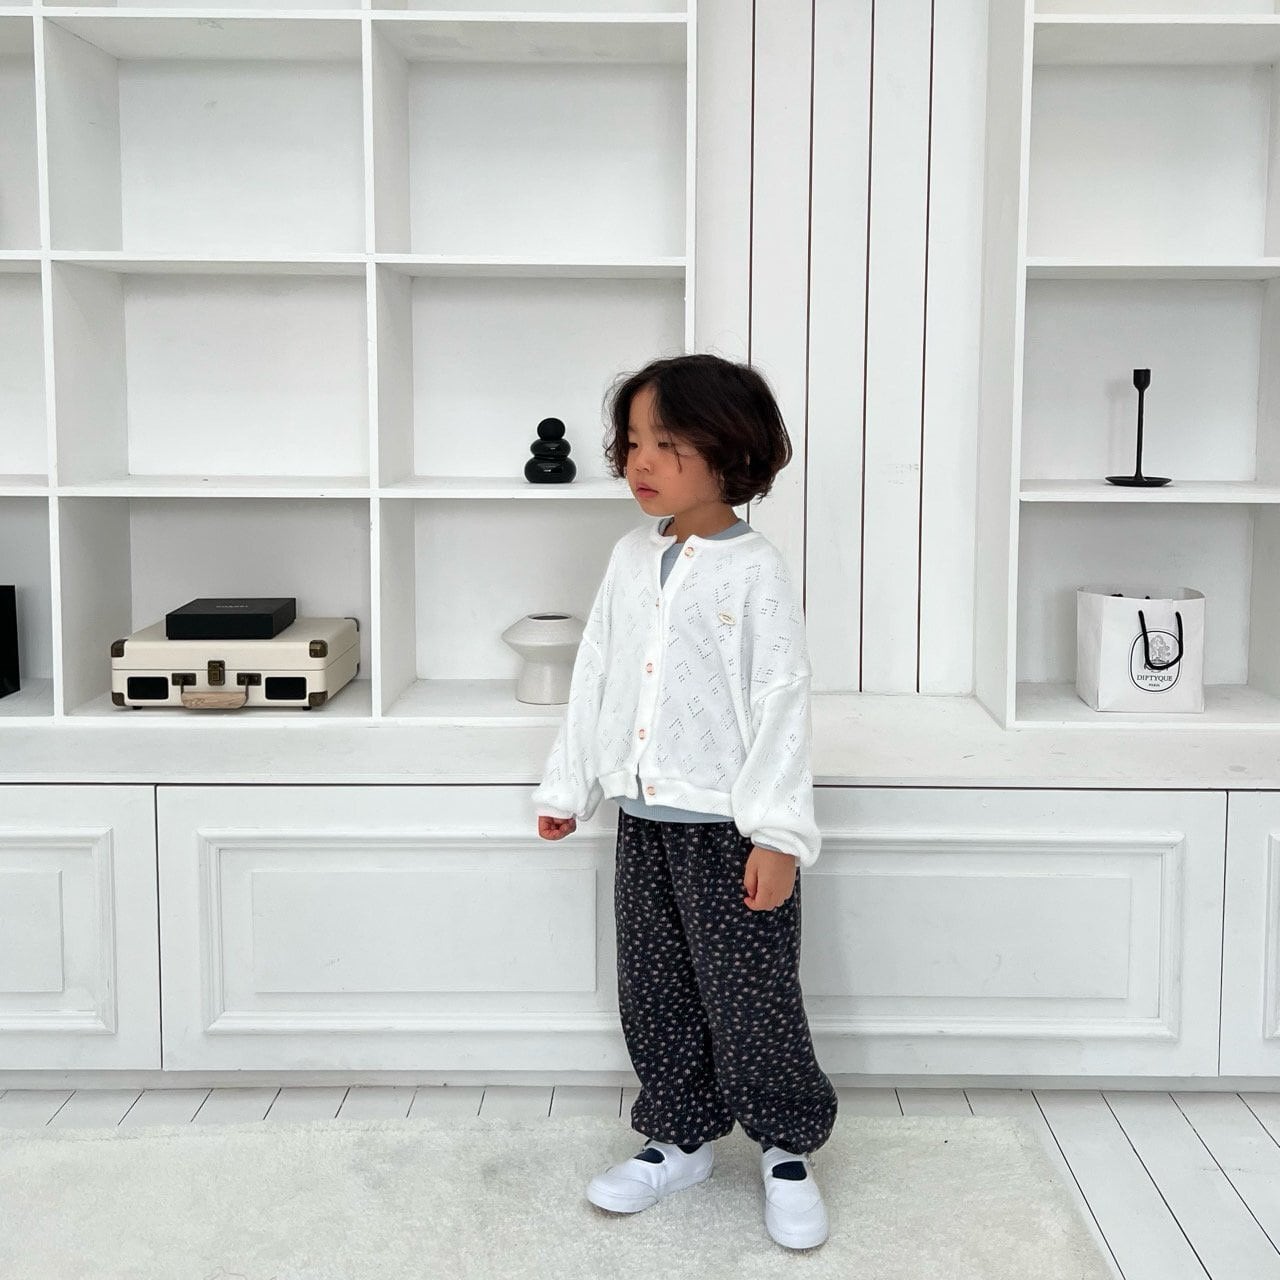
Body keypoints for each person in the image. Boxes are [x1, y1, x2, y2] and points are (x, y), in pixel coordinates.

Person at [531, 352, 837, 1251]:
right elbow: (596, 674)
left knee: (752, 1001)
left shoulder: (756, 570)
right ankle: (679, 1137)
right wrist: (571, 783)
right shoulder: (630, 559)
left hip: (728, 832)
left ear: (728, 449)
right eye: (631, 442)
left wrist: (777, 834)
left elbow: (782, 701)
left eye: (665, 443)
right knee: (655, 990)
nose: (640, 461)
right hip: (643, 825)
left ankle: (785, 1148)